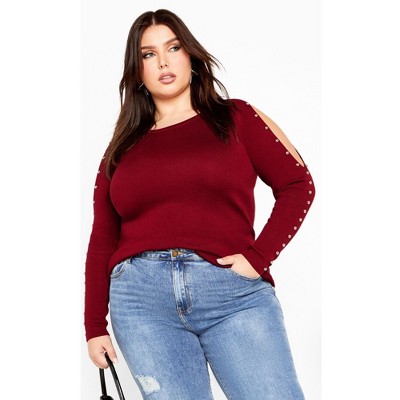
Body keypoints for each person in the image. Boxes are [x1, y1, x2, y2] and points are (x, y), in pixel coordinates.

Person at [84, 8, 315, 400]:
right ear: (137, 71)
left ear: (191, 56)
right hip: (141, 304)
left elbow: (298, 184)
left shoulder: (237, 118)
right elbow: (103, 237)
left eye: (173, 48)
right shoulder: (120, 148)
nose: (163, 61)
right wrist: (94, 326)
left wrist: (258, 258)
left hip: (232, 294)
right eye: (148, 54)